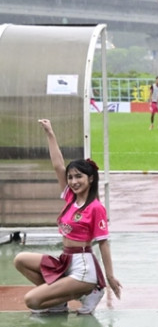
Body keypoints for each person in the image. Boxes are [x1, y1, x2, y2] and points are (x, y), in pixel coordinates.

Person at [13, 119, 122, 315]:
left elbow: (103, 244)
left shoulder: (96, 208)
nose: (73, 181)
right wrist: (50, 133)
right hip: (65, 261)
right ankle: (59, 301)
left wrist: (110, 276)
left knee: (32, 300)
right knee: (21, 260)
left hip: (83, 267)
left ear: (90, 179)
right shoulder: (71, 198)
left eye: (79, 176)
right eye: (71, 177)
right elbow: (57, 165)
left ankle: (90, 290)